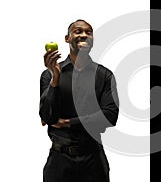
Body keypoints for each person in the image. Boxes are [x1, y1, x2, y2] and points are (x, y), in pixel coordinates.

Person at [39, 19, 119, 182]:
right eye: (78, 31)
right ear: (67, 38)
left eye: (88, 32)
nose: (84, 35)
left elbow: (110, 116)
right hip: (59, 162)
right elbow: (47, 117)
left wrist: (69, 122)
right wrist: (55, 79)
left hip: (93, 161)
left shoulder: (104, 75)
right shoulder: (49, 75)